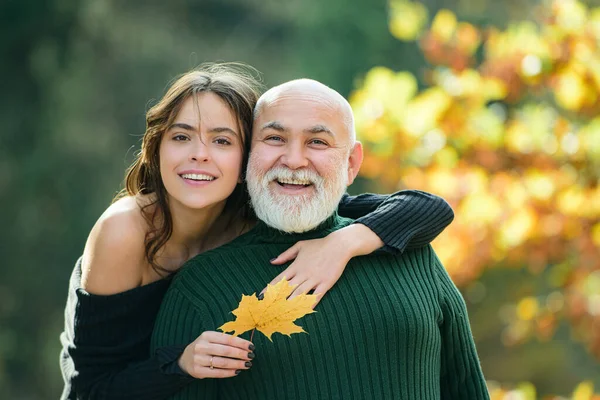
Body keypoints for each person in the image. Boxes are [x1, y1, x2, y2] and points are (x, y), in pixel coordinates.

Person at [59, 65, 454, 400]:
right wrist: (177, 363)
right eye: (181, 137)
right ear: (156, 147)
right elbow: (88, 389)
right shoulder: (125, 231)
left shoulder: (259, 211)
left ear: (248, 156)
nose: (200, 153)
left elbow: (428, 208)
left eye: (222, 140)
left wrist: (342, 243)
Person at [151, 78, 489, 400]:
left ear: (352, 163)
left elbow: (466, 389)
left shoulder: (410, 253)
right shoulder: (201, 285)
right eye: (274, 139)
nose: (294, 160)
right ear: (247, 155)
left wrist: (343, 243)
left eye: (318, 141)